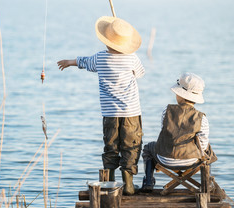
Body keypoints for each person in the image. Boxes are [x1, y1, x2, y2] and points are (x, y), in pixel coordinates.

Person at [57, 16, 145, 195]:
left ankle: (110, 184)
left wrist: (69, 62)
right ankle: (128, 185)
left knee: (111, 146)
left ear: (106, 42)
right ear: (125, 43)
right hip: (131, 112)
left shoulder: (100, 58)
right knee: (131, 146)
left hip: (109, 113)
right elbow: (140, 74)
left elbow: (84, 62)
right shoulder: (132, 58)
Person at [141, 73, 217, 192]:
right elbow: (202, 144)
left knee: (148, 148)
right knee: (207, 149)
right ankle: (207, 184)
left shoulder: (166, 111)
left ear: (180, 95)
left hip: (164, 158)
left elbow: (165, 134)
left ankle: (148, 182)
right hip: (191, 161)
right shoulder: (201, 118)